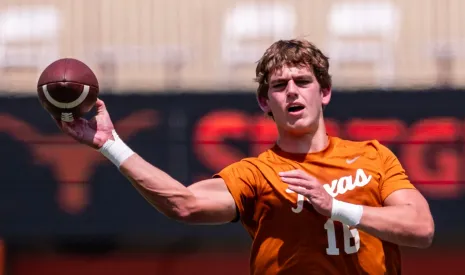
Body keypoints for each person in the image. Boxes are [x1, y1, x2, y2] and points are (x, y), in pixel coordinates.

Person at [54, 39, 434, 274]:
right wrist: (110, 144)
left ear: (325, 92)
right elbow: (183, 204)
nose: (292, 92)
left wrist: (335, 206)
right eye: (279, 86)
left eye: (303, 82)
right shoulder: (256, 173)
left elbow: (421, 228)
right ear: (264, 102)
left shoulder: (373, 155)